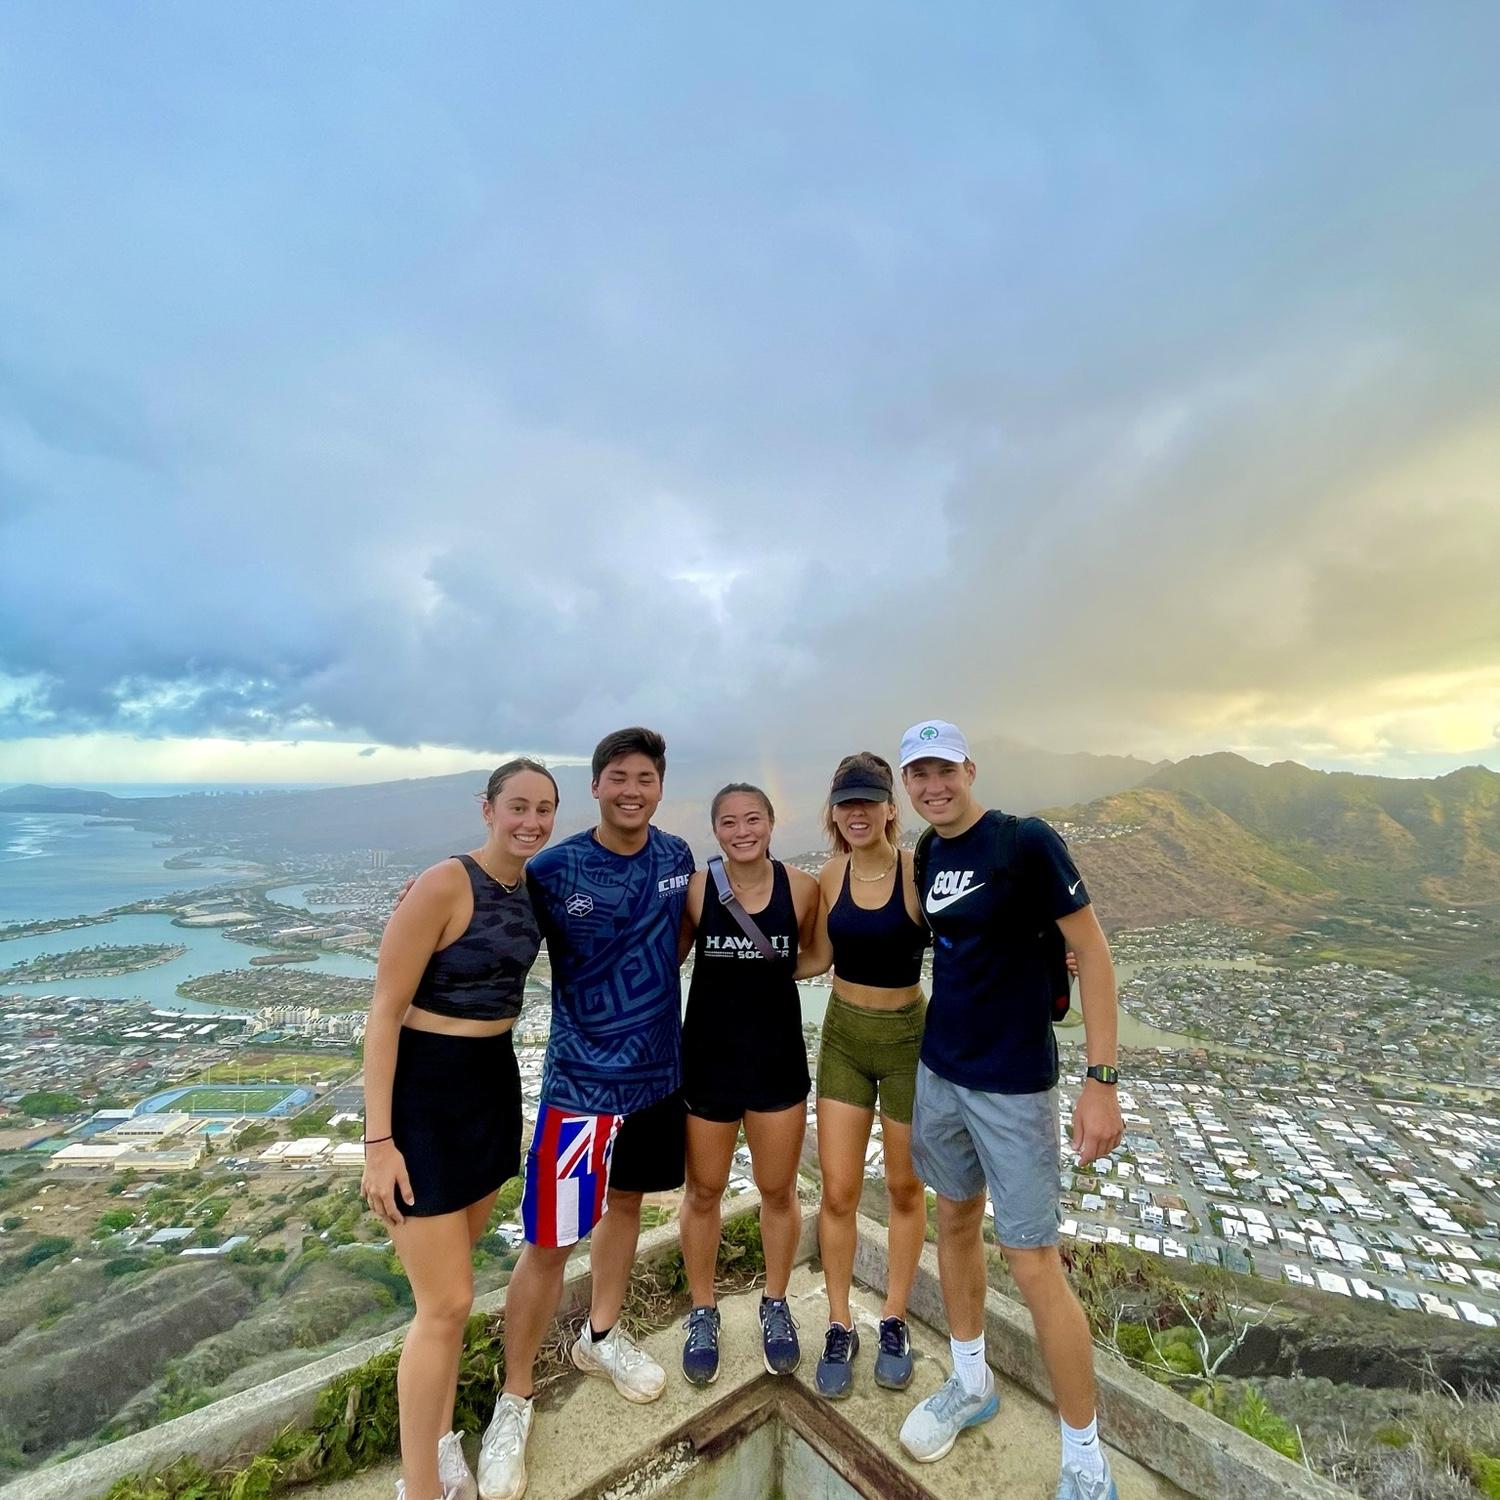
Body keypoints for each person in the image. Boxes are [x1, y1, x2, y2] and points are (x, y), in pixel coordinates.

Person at [894, 720, 1124, 1500]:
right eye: (918, 775)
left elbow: (1092, 952)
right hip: (942, 1072)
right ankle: (970, 1381)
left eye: (944, 771)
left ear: (970, 769)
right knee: (954, 1220)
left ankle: (1085, 1455)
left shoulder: (1024, 843)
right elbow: (951, 950)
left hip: (1015, 1085)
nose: (933, 786)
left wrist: (1101, 1079)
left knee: (1032, 1264)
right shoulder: (928, 851)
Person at [477, 727, 694, 1500]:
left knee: (627, 1207)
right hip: (580, 1090)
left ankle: (599, 1337)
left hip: (657, 1081)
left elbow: (680, 942)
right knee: (549, 1242)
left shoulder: (677, 859)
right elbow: (488, 904)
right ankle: (515, 1396)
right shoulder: (554, 866)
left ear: (659, 788)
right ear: (597, 785)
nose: (632, 790)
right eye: (618, 778)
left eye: (646, 778)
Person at [361, 759, 559, 1500]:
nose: (530, 821)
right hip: (426, 1092)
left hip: (491, 1085)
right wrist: (379, 1144)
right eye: (517, 806)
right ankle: (420, 1487)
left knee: (454, 1288)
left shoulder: (531, 887)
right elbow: (382, 1013)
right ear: (487, 809)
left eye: (544, 809)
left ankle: (442, 1443)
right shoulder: (446, 882)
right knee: (443, 1305)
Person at [792, 751, 929, 1399]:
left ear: (889, 809)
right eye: (846, 802)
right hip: (844, 1036)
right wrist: (749, 963)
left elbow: (967, 937)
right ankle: (841, 1323)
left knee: (905, 1188)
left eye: (868, 801)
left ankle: (895, 1318)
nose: (856, 813)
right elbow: (818, 954)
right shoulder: (832, 873)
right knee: (839, 1191)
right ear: (834, 811)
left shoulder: (915, 870)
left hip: (907, 1039)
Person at [676, 783, 819, 1387]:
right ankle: (703, 1310)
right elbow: (669, 953)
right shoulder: (699, 889)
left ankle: (775, 1302)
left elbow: (817, 956)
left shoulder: (803, 889)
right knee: (703, 1191)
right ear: (715, 830)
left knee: (778, 1191)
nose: (742, 830)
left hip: (776, 1060)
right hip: (708, 1059)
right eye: (729, 822)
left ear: (771, 822)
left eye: (752, 819)